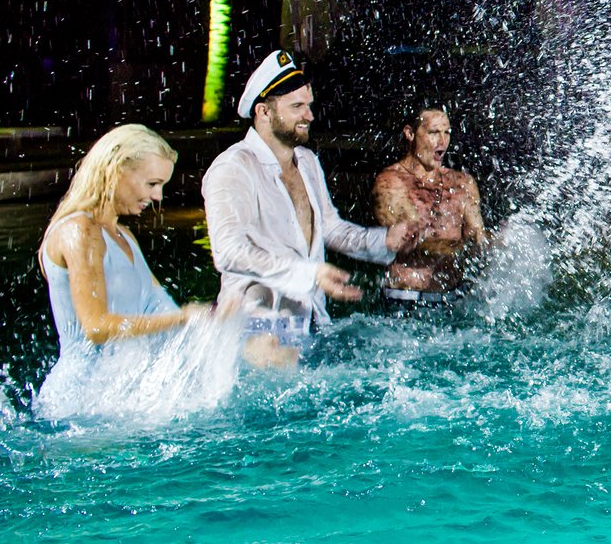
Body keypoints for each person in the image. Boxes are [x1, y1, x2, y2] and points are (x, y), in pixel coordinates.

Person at [203, 51, 416, 355]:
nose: (309, 116)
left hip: (311, 323)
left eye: (309, 106)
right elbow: (229, 252)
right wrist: (309, 274)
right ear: (263, 112)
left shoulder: (307, 162)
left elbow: (330, 227)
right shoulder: (233, 167)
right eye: (297, 107)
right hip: (257, 330)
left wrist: (384, 240)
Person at [35, 125, 213, 404]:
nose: (158, 196)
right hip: (79, 401)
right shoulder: (79, 231)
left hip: (120, 396)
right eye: (152, 184)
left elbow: (163, 313)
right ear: (116, 170)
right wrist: (183, 318)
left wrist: (221, 322)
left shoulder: (125, 237)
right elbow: (96, 327)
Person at [373, 106, 489, 306]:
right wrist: (459, 246)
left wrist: (506, 242)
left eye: (447, 133)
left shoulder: (463, 183)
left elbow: (477, 238)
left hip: (455, 298)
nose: (442, 141)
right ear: (410, 133)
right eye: (433, 132)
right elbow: (407, 241)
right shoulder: (391, 182)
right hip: (406, 300)